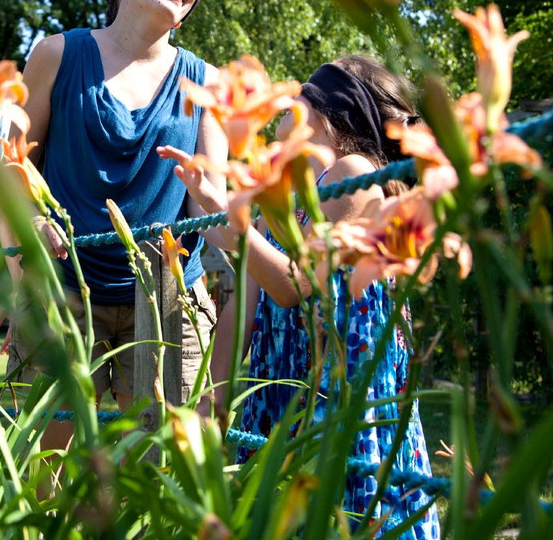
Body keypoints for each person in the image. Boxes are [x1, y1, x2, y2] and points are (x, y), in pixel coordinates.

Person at [161, 55, 440, 539]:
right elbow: (243, 302)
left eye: (301, 95)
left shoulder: (355, 174)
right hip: (282, 397)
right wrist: (214, 401)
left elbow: (295, 286)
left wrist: (234, 226)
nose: (284, 106)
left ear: (328, 111)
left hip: (337, 400)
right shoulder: (288, 196)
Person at [7, 0, 228, 410]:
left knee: (159, 467)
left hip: (168, 297)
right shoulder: (56, 55)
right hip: (63, 292)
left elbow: (216, 210)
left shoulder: (207, 82)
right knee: (51, 469)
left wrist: (212, 198)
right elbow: (10, 167)